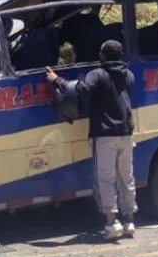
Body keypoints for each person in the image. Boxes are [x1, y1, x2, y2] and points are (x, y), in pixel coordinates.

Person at [46, 39, 137, 241]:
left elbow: (80, 90)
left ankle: (112, 223)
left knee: (105, 179)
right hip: (126, 132)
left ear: (104, 55)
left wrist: (56, 80)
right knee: (126, 177)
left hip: (104, 134)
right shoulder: (128, 75)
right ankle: (129, 220)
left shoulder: (97, 74)